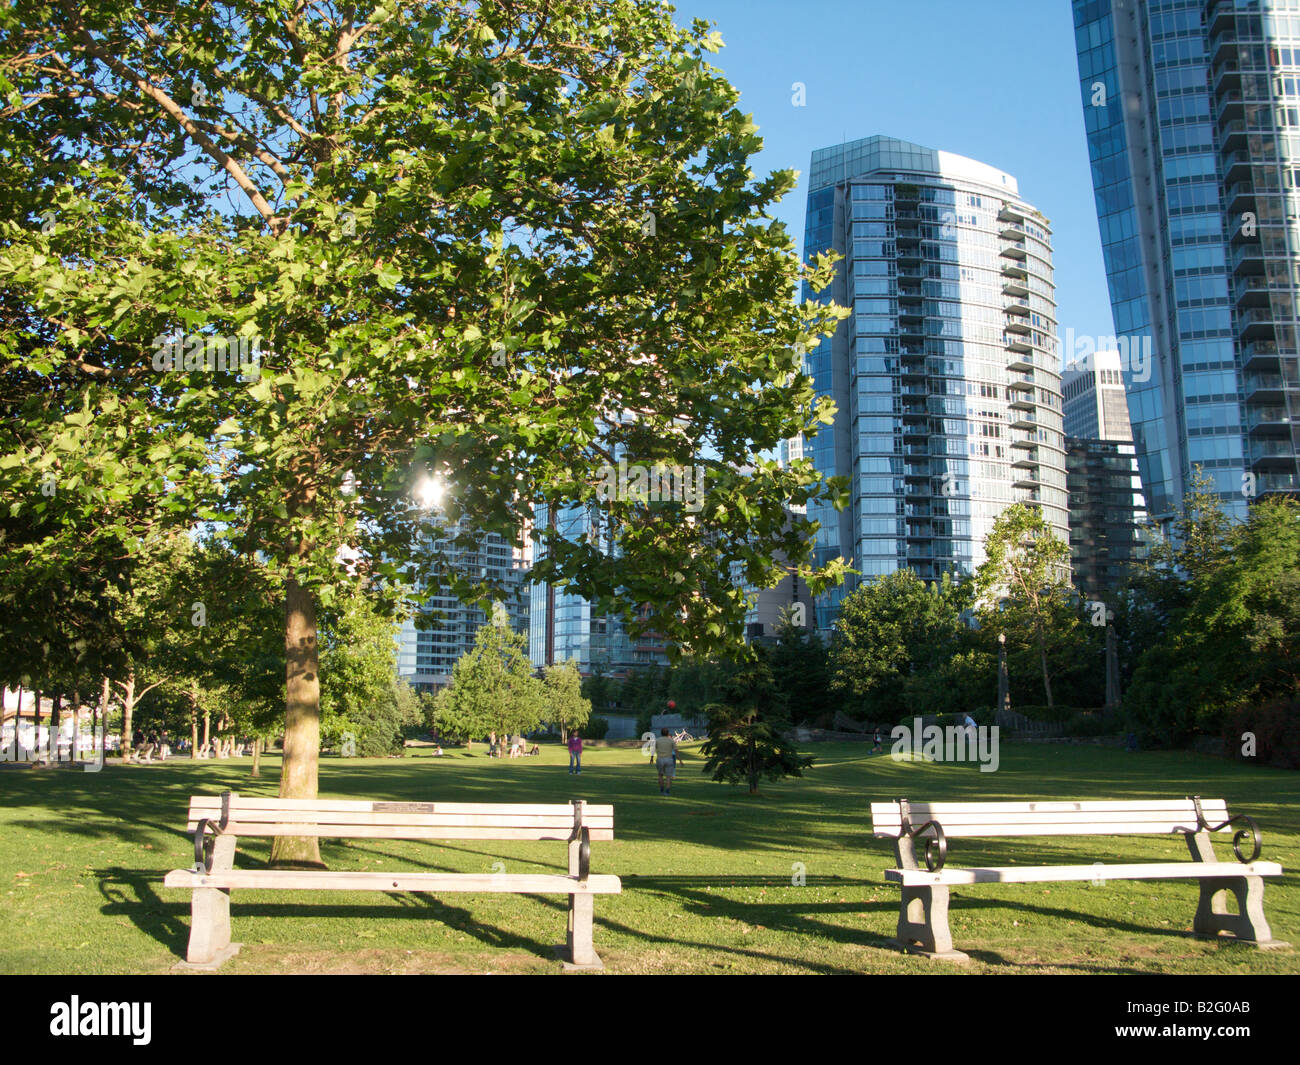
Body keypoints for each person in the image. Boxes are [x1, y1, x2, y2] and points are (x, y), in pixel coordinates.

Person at [655, 728, 677, 796]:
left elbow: (653, 750)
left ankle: (662, 789)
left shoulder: (657, 740)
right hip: (669, 759)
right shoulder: (671, 741)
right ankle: (667, 791)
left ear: (661, 733)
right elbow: (676, 751)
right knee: (668, 777)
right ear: (668, 733)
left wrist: (652, 758)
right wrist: (680, 760)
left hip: (660, 759)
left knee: (660, 775)